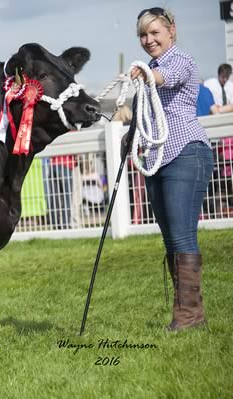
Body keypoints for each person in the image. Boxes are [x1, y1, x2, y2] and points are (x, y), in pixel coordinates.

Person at [122, 7, 214, 331]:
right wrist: (130, 135)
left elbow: (167, 77)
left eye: (154, 33)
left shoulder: (179, 61)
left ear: (171, 30)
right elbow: (147, 111)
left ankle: (189, 316)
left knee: (182, 235)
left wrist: (147, 76)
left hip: (186, 154)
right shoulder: (148, 69)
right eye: (143, 35)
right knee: (170, 239)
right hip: (158, 159)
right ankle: (189, 314)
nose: (148, 40)